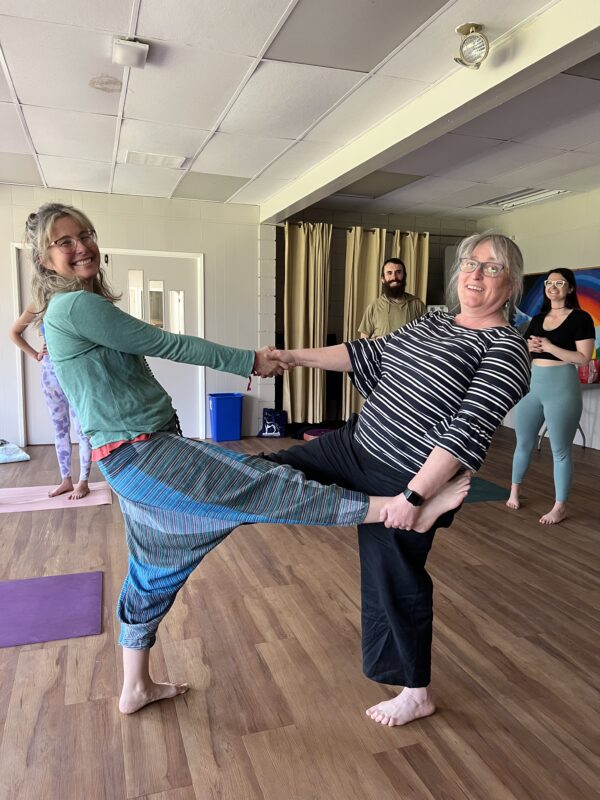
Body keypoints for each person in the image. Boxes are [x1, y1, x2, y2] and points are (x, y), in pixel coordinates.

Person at [27, 202, 467, 716]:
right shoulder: (77, 307)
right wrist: (250, 361)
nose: (81, 246)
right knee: (259, 484)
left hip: (128, 456)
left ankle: (135, 687)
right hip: (142, 452)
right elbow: (164, 341)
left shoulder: (72, 308)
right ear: (44, 260)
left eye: (85, 234)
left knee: (152, 569)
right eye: (65, 242)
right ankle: (399, 509)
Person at [268, 233, 531, 727]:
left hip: (405, 473)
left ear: (511, 281)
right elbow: (369, 354)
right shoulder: (432, 321)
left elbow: (467, 427)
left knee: (394, 582)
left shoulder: (506, 347)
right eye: (470, 264)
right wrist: (291, 356)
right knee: (264, 473)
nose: (475, 275)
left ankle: (415, 691)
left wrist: (415, 496)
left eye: (491, 268)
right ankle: (191, 495)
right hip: (354, 444)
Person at [507, 268, 595, 524]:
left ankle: (560, 505)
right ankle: (514, 490)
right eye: (549, 282)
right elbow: (527, 349)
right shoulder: (538, 319)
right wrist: (529, 346)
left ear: (570, 289)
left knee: (560, 450)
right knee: (522, 441)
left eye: (560, 282)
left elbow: (583, 358)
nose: (553, 287)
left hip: (562, 388)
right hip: (533, 386)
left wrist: (548, 346)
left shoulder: (581, 318)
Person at [10, 305, 92, 499]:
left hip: (76, 373)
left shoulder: (75, 300)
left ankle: (83, 482)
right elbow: (14, 332)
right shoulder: (39, 304)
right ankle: (66, 480)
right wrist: (36, 354)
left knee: (82, 430)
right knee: (60, 429)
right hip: (50, 374)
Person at [359, 257, 426, 338]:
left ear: (404, 276)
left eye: (398, 272)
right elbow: (364, 341)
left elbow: (427, 335)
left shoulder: (417, 305)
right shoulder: (373, 307)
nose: (394, 277)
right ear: (383, 279)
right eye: (389, 273)